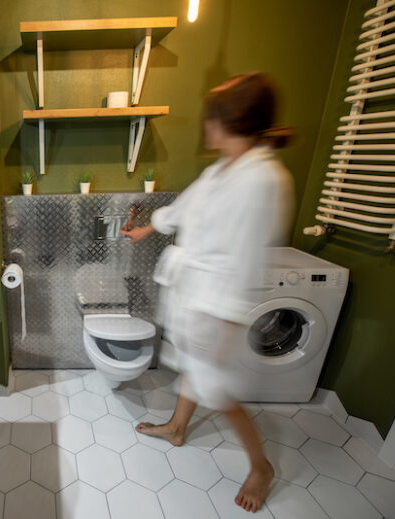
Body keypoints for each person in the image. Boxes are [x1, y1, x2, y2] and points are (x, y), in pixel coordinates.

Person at [121, 72, 294, 513]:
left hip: (219, 308)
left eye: (210, 114)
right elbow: (182, 211)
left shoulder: (262, 180)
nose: (205, 123)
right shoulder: (221, 170)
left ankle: (261, 468)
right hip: (193, 297)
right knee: (194, 373)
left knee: (219, 392)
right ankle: (178, 428)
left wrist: (227, 326)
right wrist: (145, 229)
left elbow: (247, 262)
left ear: (228, 119)